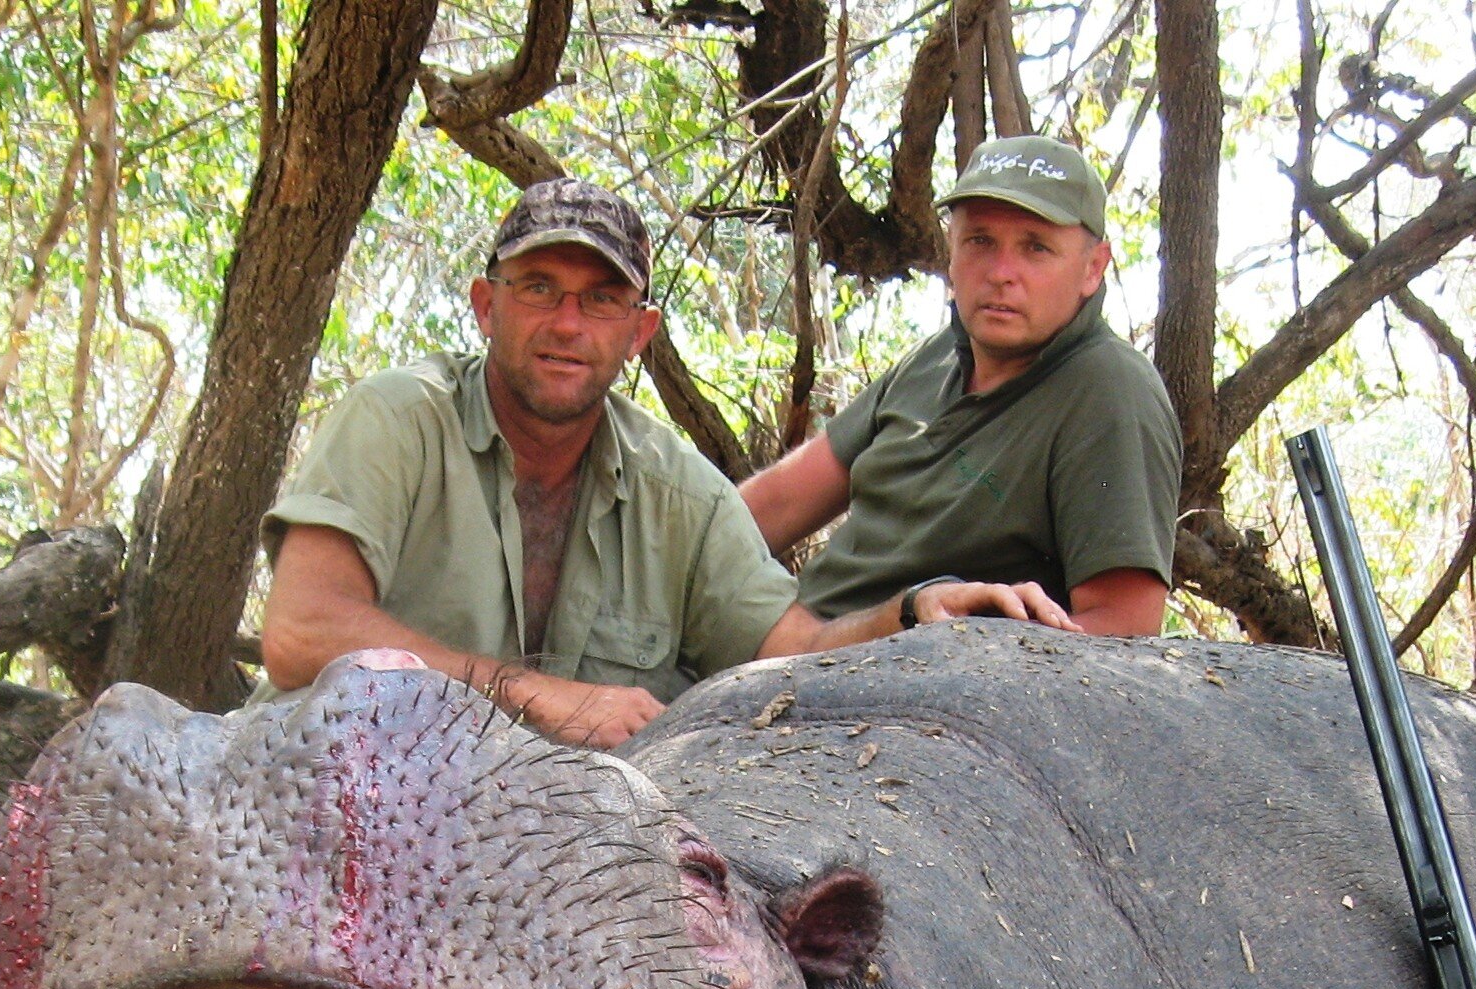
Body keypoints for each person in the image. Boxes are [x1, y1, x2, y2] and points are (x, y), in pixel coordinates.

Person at [261, 180, 1074, 750]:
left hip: (506, 864)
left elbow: (794, 651)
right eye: (539, 288)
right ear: (486, 305)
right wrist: (534, 695)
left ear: (639, 332)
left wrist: (913, 615)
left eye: (601, 300)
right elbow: (300, 631)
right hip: (317, 803)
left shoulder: (676, 489)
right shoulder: (398, 419)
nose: (567, 324)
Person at [741, 135, 1180, 639]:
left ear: (1093, 268)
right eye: (980, 241)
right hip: (782, 642)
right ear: (950, 251)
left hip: (895, 686)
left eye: (1036, 247)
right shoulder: (936, 356)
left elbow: (1121, 630)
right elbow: (777, 504)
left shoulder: (1109, 391)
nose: (1000, 274)